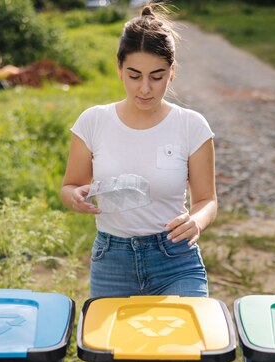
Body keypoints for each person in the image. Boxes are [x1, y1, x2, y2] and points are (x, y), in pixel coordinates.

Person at [60, 3, 216, 298]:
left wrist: (197, 221)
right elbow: (70, 186)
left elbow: (207, 200)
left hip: (176, 259)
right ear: (119, 69)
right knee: (108, 346)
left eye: (156, 76)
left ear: (171, 73)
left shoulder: (192, 126)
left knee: (183, 342)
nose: (145, 88)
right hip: (112, 261)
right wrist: (74, 198)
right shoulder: (92, 122)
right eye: (134, 75)